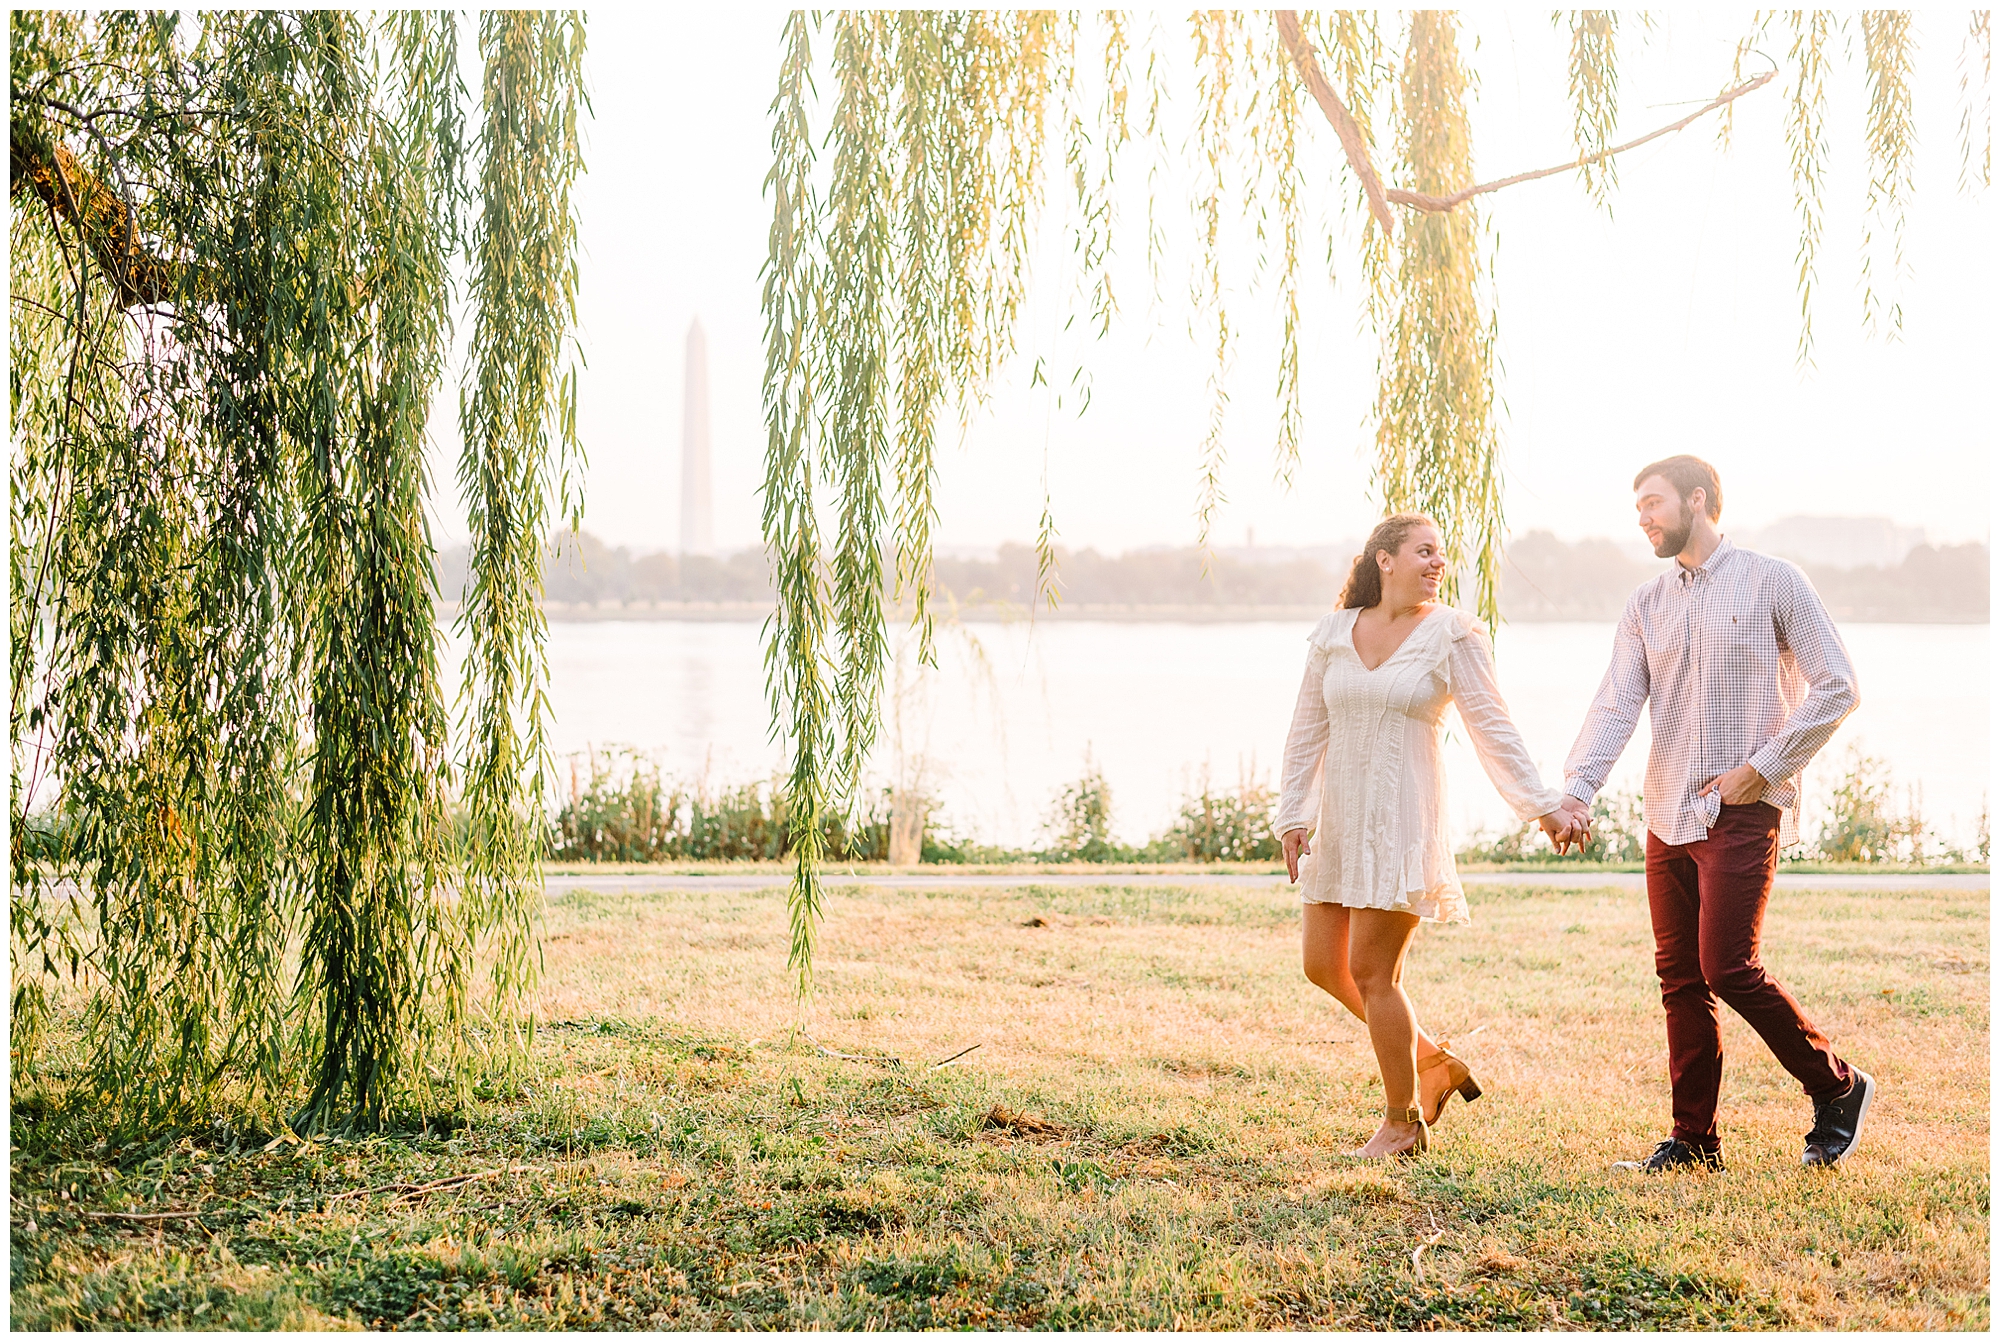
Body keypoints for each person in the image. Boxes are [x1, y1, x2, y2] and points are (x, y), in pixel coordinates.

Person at [1556, 455, 1873, 1172]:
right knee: (1680, 978)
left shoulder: (1774, 580)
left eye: (1653, 502)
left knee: (1728, 967)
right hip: (1667, 812)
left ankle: (1839, 1087)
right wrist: (1578, 790)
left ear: (1697, 500)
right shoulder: (1646, 604)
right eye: (1637, 506)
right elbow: (1616, 704)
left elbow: (1838, 687)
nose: (1642, 516)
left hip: (1742, 810)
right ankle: (1694, 1141)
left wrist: (1762, 768)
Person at [1275, 513, 1582, 1160]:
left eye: (1442, 554)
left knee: (1373, 972)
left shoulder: (1453, 634)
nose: (1438, 563)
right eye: (1424, 551)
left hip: (1401, 824)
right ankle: (1433, 1062)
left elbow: (1492, 728)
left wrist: (1543, 807)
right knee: (1321, 965)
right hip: (1339, 822)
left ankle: (1402, 1121)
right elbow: (1306, 730)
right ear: (1384, 560)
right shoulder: (1334, 633)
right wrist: (1293, 815)